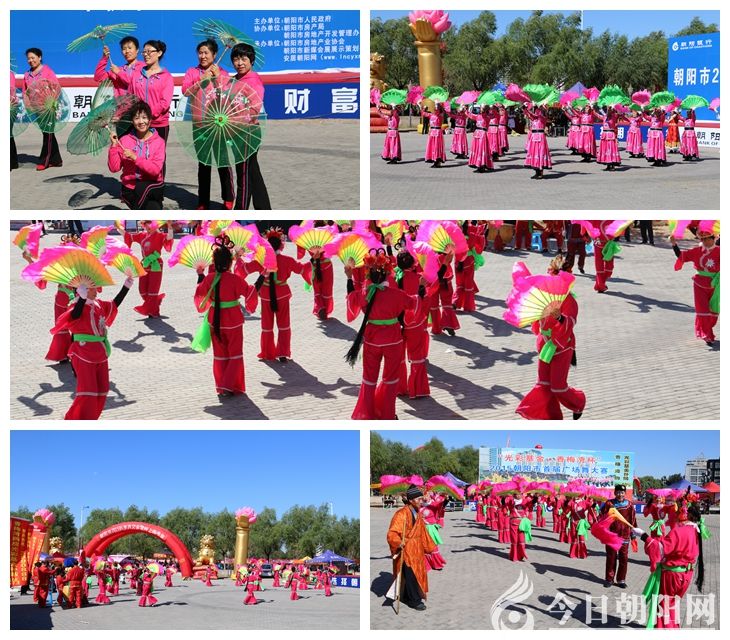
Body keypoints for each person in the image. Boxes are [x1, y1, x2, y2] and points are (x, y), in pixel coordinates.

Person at [345, 249, 426, 419]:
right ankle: (388, 414)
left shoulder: (365, 293)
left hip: (372, 340)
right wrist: (421, 287)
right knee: (390, 380)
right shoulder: (396, 294)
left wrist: (349, 277)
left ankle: (366, 414)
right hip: (393, 341)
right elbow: (415, 303)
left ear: (369, 274)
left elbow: (352, 298)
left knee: (369, 378)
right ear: (387, 274)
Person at [52, 276, 133, 420]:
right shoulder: (75, 305)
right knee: (88, 392)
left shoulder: (98, 304)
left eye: (95, 287)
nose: (96, 291)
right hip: (83, 353)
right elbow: (74, 316)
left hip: (100, 353)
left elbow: (114, 305)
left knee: (102, 390)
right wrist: (81, 299)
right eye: (91, 288)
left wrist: (126, 287)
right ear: (81, 290)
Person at [516, 256, 586, 420]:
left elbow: (570, 322)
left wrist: (559, 317)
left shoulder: (568, 300)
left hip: (562, 346)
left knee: (558, 387)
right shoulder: (543, 297)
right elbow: (536, 323)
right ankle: (551, 418)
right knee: (543, 384)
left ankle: (578, 402)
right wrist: (533, 316)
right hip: (545, 345)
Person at [193, 234, 261, 396]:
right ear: (230, 263)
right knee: (235, 355)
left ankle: (222, 386)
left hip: (214, 321)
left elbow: (200, 294)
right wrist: (262, 277)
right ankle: (228, 385)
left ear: (214, 262)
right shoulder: (234, 279)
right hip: (233, 321)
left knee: (220, 356)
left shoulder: (209, 279)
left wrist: (200, 275)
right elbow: (250, 294)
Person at [635, 503, 706, 628]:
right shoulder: (696, 529)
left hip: (672, 576)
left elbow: (660, 549)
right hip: (685, 575)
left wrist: (643, 536)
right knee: (671, 604)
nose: (674, 514)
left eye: (677, 511)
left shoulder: (679, 531)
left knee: (664, 606)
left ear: (686, 514)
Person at [182, 39, 234, 210]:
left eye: (206, 53)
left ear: (214, 54)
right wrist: (201, 79)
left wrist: (217, 77)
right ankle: (203, 202)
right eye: (200, 52)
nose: (203, 56)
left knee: (222, 163)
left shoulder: (223, 73)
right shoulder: (192, 72)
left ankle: (228, 198)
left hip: (218, 125)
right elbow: (185, 91)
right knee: (203, 165)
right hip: (199, 126)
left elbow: (227, 93)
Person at [229, 42, 271, 209]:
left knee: (244, 175)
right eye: (236, 59)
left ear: (251, 61)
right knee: (252, 172)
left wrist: (234, 120)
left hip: (248, 132)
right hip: (234, 131)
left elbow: (253, 110)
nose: (239, 63)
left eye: (243, 59)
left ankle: (240, 212)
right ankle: (264, 210)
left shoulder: (254, 82)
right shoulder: (233, 80)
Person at [386, 485, 437, 611]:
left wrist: (430, 547)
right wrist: (398, 542)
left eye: (421, 498)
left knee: (416, 574)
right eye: (418, 499)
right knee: (411, 575)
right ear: (411, 500)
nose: (421, 501)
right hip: (406, 549)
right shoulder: (401, 514)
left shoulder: (418, 514)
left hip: (417, 550)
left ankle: (406, 595)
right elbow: (392, 533)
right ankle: (414, 600)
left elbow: (423, 533)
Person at [107, 101, 166, 210]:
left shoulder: (159, 142)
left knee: (142, 188)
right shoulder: (124, 140)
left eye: (144, 117)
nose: (141, 122)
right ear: (132, 121)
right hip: (129, 188)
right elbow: (114, 168)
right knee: (153, 208)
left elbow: (155, 170)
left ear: (150, 120)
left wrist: (135, 158)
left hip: (152, 185)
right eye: (137, 118)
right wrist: (114, 146)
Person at [671, 229, 720, 346]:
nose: (705, 241)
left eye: (707, 239)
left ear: (713, 239)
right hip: (699, 285)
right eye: (703, 239)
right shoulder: (697, 251)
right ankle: (707, 335)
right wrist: (674, 244)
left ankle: (707, 329)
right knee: (703, 310)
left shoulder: (720, 251)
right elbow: (681, 256)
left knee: (713, 311)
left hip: (716, 284)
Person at [395, 249, 430, 399]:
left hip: (398, 322)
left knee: (399, 358)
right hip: (415, 323)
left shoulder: (395, 278)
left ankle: (400, 388)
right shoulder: (419, 279)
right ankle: (417, 389)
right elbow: (424, 301)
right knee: (417, 356)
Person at [122, 220, 173, 316]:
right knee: (142, 290)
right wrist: (120, 228)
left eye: (150, 225)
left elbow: (169, 237)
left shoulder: (160, 235)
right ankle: (155, 303)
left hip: (156, 264)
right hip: (145, 264)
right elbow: (128, 236)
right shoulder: (142, 235)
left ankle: (153, 311)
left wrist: (169, 227)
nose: (148, 227)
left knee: (153, 290)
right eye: (146, 225)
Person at [23, 47, 62, 170]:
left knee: (47, 135)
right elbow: (25, 92)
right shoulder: (27, 75)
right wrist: (28, 105)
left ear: (39, 57)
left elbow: (56, 88)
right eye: (28, 58)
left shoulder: (47, 71)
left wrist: (51, 102)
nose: (30, 60)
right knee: (48, 134)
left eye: (33, 57)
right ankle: (56, 160)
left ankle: (44, 161)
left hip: (48, 108)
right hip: (36, 109)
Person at [130, 40, 174, 149]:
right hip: (139, 123)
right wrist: (138, 117)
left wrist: (147, 115)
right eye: (144, 52)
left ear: (159, 53)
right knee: (138, 155)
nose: (146, 54)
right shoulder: (136, 74)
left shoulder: (166, 76)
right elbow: (130, 97)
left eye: (149, 51)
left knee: (158, 156)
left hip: (158, 124)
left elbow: (164, 103)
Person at [601, 484, 637, 588]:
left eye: (622, 492)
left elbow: (633, 520)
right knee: (611, 558)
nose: (620, 494)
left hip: (625, 535)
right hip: (611, 535)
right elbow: (603, 516)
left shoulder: (629, 505)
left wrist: (633, 533)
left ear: (625, 493)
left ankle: (621, 580)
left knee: (623, 558)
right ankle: (609, 579)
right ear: (615, 493)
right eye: (618, 492)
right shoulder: (609, 503)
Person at [523, 103, 552, 179]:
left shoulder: (543, 118)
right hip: (534, 137)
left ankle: (540, 172)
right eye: (536, 111)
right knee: (534, 153)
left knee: (540, 153)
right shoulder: (534, 119)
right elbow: (529, 115)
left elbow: (537, 115)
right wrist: (525, 108)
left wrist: (536, 106)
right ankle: (536, 171)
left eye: (538, 111)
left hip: (540, 137)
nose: (536, 112)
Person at [466, 105, 494, 172]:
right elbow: (470, 115)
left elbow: (488, 116)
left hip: (483, 134)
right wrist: (465, 109)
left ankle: (482, 165)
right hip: (477, 134)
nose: (480, 109)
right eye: (480, 108)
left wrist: (489, 108)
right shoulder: (478, 116)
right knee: (476, 149)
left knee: (481, 150)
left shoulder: (487, 117)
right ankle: (476, 163)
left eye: (482, 108)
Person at [596, 106, 621, 171]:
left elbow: (618, 114)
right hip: (604, 135)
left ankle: (612, 165)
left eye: (609, 109)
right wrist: (592, 108)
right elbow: (597, 115)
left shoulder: (614, 117)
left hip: (610, 135)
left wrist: (612, 108)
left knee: (611, 149)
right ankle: (608, 165)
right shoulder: (604, 117)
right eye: (607, 109)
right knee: (605, 149)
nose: (608, 110)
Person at [423, 102, 446, 168]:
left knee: (437, 147)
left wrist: (438, 105)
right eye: (435, 107)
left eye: (437, 107)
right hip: (432, 132)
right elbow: (423, 113)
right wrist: (422, 107)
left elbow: (438, 112)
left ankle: (438, 161)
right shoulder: (431, 115)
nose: (435, 108)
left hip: (437, 132)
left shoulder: (440, 115)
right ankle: (433, 159)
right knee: (432, 146)